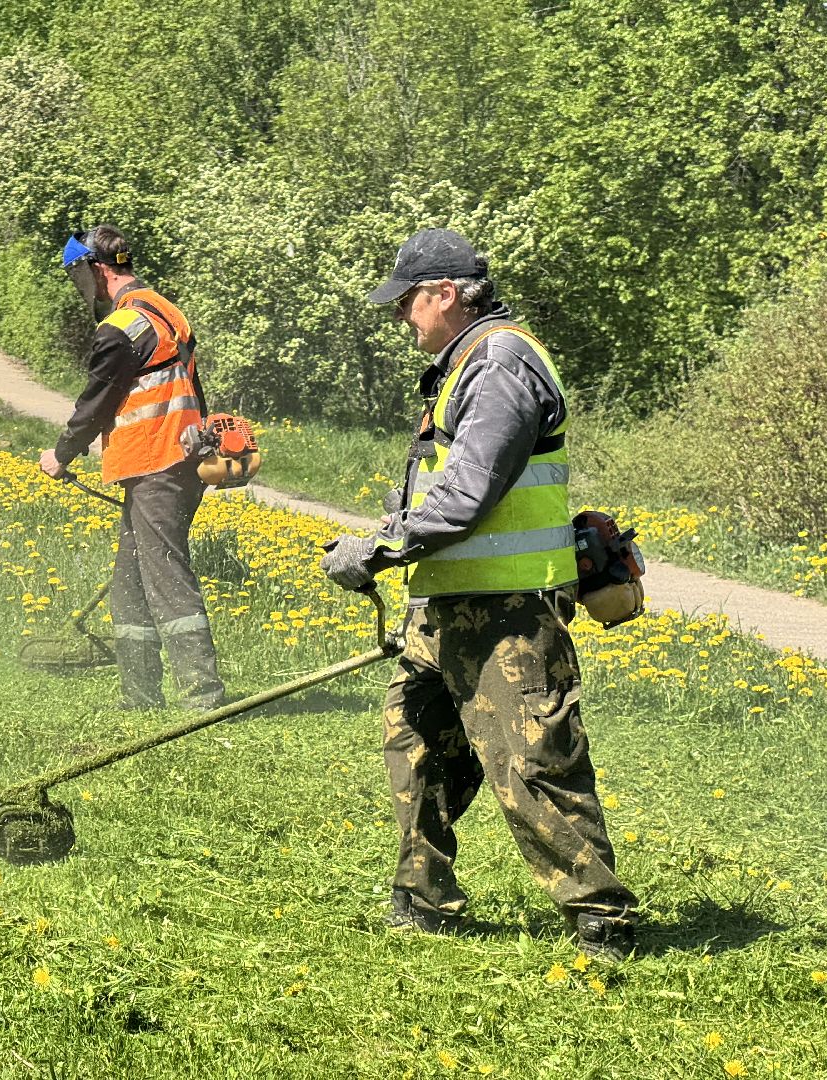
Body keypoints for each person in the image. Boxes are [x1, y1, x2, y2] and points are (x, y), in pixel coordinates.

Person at [318, 228, 640, 960]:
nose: (402, 317)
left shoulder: (498, 365)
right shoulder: (460, 363)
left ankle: (603, 920)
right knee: (417, 744)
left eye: (407, 302)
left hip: (508, 611)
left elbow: (466, 497)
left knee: (533, 762)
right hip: (448, 606)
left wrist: (376, 550)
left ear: (443, 294)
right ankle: (422, 897)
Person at [39, 225, 226, 711]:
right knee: (129, 577)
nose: (79, 286)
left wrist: (60, 455)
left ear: (97, 270)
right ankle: (140, 696)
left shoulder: (121, 327)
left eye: (78, 276)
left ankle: (201, 699)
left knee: (165, 576)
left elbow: (96, 400)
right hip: (176, 461)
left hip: (156, 462)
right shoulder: (167, 310)